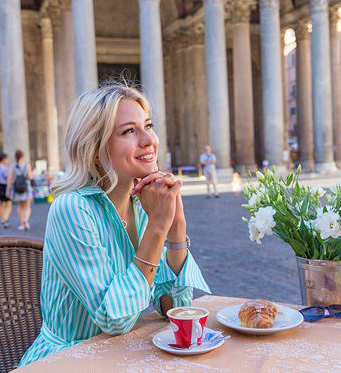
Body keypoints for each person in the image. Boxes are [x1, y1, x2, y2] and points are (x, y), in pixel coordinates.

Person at [19, 83, 210, 367]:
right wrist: (158, 228)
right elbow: (113, 318)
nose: (148, 140)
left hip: (120, 357)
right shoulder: (72, 209)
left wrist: (176, 229)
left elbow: (174, 308)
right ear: (95, 151)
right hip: (67, 361)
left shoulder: (142, 204)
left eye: (148, 125)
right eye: (129, 131)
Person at [8, 149, 33, 231]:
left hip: (17, 188)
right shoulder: (27, 165)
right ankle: (26, 220)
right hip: (26, 188)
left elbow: (10, 179)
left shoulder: (12, 166)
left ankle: (21, 224)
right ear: (23, 156)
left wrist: (7, 190)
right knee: (27, 206)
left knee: (20, 206)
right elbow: (30, 177)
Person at [0, 153, 12, 228]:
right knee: (9, 203)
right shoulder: (5, 168)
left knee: (0, 204)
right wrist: (8, 190)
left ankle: (2, 219)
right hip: (4, 186)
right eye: (6, 159)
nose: (7, 161)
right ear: (3, 159)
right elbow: (8, 179)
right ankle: (5, 219)